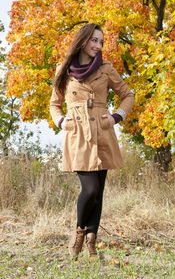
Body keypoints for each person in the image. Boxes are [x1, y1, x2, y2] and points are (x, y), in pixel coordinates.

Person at [50, 23, 134, 261]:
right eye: (94, 40)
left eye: (101, 42)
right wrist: (60, 122)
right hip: (77, 133)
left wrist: (117, 116)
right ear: (83, 40)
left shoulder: (106, 68)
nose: (98, 46)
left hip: (102, 130)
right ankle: (79, 232)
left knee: (99, 192)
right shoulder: (64, 70)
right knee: (90, 189)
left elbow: (128, 94)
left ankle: (92, 241)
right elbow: (54, 104)